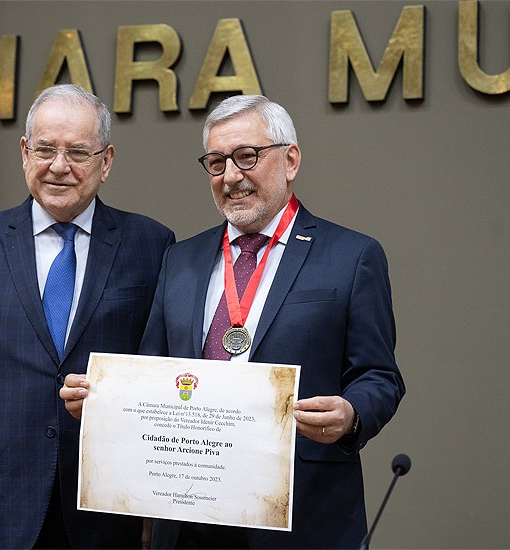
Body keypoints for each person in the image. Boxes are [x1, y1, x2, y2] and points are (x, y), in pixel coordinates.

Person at [61, 94, 405, 549]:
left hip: (300, 516)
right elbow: (154, 371)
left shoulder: (351, 257)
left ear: (290, 160)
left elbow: (379, 375)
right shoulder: (180, 258)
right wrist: (105, 402)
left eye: (247, 157)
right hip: (186, 518)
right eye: (217, 162)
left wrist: (352, 413)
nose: (232, 176)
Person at [0, 84, 175, 550]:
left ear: (106, 161)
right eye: (45, 149)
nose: (59, 166)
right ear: (25, 152)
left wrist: (158, 507)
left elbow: (162, 374)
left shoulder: (151, 245)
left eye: (78, 152)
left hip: (105, 508)